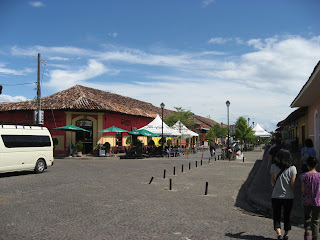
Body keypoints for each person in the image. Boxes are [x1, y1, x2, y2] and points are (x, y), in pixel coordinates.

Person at [270, 149, 297, 240]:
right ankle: (286, 233)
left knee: (276, 215)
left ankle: (279, 234)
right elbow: (292, 184)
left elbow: (273, 181)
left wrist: (276, 187)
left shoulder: (273, 166)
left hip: (276, 195)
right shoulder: (293, 168)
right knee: (287, 215)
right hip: (288, 196)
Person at [300, 156, 320, 240]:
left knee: (307, 218)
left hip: (307, 200)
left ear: (307, 165)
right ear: (317, 165)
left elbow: (303, 189)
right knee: (316, 220)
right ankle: (315, 236)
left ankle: (307, 235)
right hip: (317, 201)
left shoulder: (304, 176)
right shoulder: (319, 176)